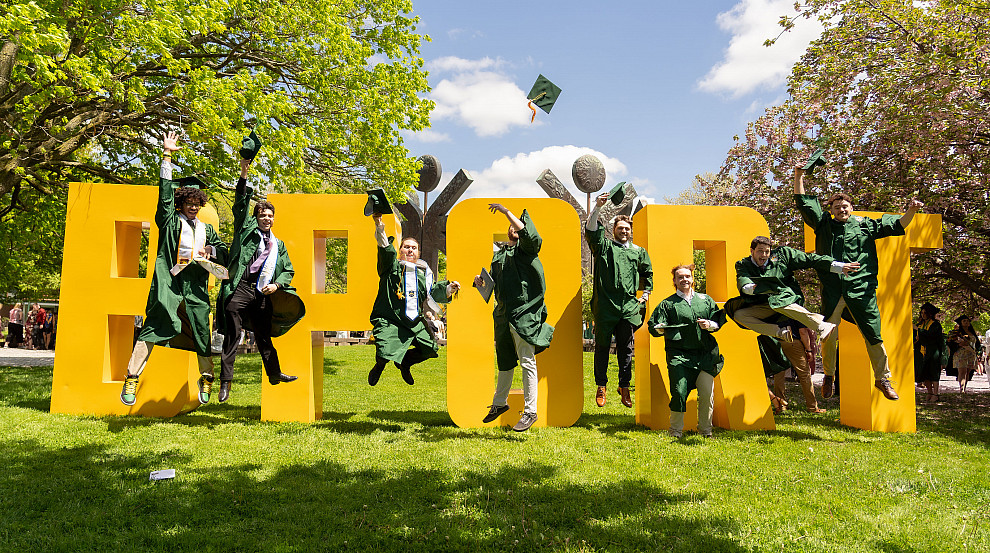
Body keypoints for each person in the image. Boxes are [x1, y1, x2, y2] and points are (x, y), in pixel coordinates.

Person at [793, 164, 924, 401]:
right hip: (833, 291)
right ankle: (830, 375)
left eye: (844, 206)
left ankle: (883, 378)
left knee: (874, 335)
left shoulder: (865, 225)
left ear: (851, 208)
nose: (841, 209)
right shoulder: (823, 225)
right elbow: (803, 202)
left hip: (862, 290)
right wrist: (799, 175)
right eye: (836, 207)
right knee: (828, 333)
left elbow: (897, 225)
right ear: (831, 210)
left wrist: (911, 210)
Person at [119, 132, 229, 407]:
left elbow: (225, 252)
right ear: (180, 204)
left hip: (196, 287)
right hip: (168, 282)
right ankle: (132, 377)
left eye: (197, 205)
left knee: (202, 331)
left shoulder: (207, 230)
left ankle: (206, 378)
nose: (193, 208)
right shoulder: (169, 222)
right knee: (154, 325)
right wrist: (166, 156)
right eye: (189, 204)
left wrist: (211, 251)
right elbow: (164, 195)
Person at [215, 155, 305, 403]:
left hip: (262, 292)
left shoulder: (279, 245)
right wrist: (244, 174)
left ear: (274, 219)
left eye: (270, 215)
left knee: (264, 336)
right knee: (232, 332)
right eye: (263, 214)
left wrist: (277, 285)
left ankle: (275, 374)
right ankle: (226, 383)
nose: (267, 218)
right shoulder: (245, 233)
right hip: (241, 287)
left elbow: (288, 270)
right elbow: (241, 204)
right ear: (256, 217)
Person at [477, 204, 554, 432]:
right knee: (505, 362)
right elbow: (492, 287)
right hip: (503, 315)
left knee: (527, 361)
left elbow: (529, 234)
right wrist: (480, 283)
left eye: (517, 225)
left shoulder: (527, 250)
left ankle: (531, 411)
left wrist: (506, 212)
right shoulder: (499, 255)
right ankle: (499, 403)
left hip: (524, 316)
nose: (513, 227)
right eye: (510, 225)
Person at [368, 213, 460, 386]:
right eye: (406, 247)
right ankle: (379, 366)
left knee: (430, 348)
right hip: (390, 319)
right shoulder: (391, 267)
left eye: (414, 248)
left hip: (413, 321)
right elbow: (384, 247)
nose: (410, 250)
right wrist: (379, 224)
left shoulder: (423, 273)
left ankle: (405, 363)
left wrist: (450, 288)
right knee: (384, 350)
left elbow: (432, 292)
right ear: (400, 250)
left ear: (418, 252)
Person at [585, 192, 653, 408]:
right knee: (602, 347)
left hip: (628, 308)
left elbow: (648, 273)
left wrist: (646, 294)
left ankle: (624, 387)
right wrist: (597, 207)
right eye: (620, 228)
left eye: (627, 229)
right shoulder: (604, 247)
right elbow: (591, 231)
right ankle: (601, 386)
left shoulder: (638, 252)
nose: (624, 231)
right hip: (605, 307)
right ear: (613, 230)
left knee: (626, 349)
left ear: (631, 232)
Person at [648, 264, 725, 438]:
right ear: (674, 280)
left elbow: (717, 320)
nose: (684, 280)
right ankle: (675, 431)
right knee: (679, 391)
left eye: (687, 276)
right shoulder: (667, 304)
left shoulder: (705, 300)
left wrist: (710, 325)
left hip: (705, 355)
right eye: (680, 277)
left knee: (707, 394)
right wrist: (662, 328)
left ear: (692, 279)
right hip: (679, 356)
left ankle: (706, 431)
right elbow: (653, 327)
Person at [914, 303, 946, 403]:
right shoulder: (921, 324)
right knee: (925, 374)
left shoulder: (935, 325)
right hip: (922, 352)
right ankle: (930, 392)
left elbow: (932, 336)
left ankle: (936, 394)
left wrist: (918, 330)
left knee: (934, 374)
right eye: (922, 313)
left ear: (930, 314)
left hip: (933, 352)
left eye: (925, 313)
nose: (923, 315)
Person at [949, 315, 981, 393]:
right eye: (964, 321)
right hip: (961, 354)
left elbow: (977, 344)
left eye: (967, 321)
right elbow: (950, 342)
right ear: (961, 323)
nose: (966, 322)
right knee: (962, 371)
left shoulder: (972, 333)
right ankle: (961, 388)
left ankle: (965, 387)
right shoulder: (957, 332)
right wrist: (959, 344)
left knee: (968, 372)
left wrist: (978, 353)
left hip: (971, 354)